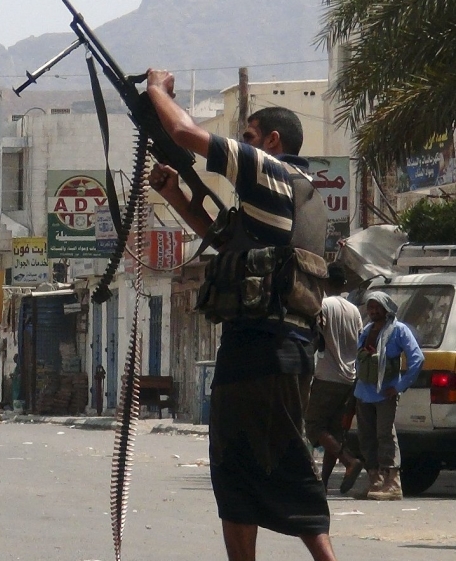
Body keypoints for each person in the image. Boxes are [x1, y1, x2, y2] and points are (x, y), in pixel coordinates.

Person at [146, 69, 337, 560]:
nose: (240, 143)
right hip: (281, 349)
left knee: (246, 471)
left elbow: (186, 134)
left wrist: (155, 91)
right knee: (267, 467)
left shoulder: (267, 170)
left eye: (247, 135)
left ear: (271, 141)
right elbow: (225, 241)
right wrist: (174, 195)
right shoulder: (301, 193)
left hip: (261, 346)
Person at [354, 291, 424, 500]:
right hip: (363, 393)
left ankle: (393, 483)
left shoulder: (399, 330)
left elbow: (417, 359)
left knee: (385, 435)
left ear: (386, 309)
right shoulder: (366, 330)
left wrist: (400, 385)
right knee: (366, 438)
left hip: (385, 393)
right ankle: (375, 482)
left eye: (377, 307)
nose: (373, 311)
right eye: (370, 307)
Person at [305, 263, 363, 493]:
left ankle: (349, 461)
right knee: (334, 431)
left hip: (328, 375)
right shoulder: (354, 310)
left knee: (313, 426)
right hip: (350, 378)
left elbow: (317, 338)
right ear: (344, 283)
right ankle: (324, 483)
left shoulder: (324, 305)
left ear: (326, 282)